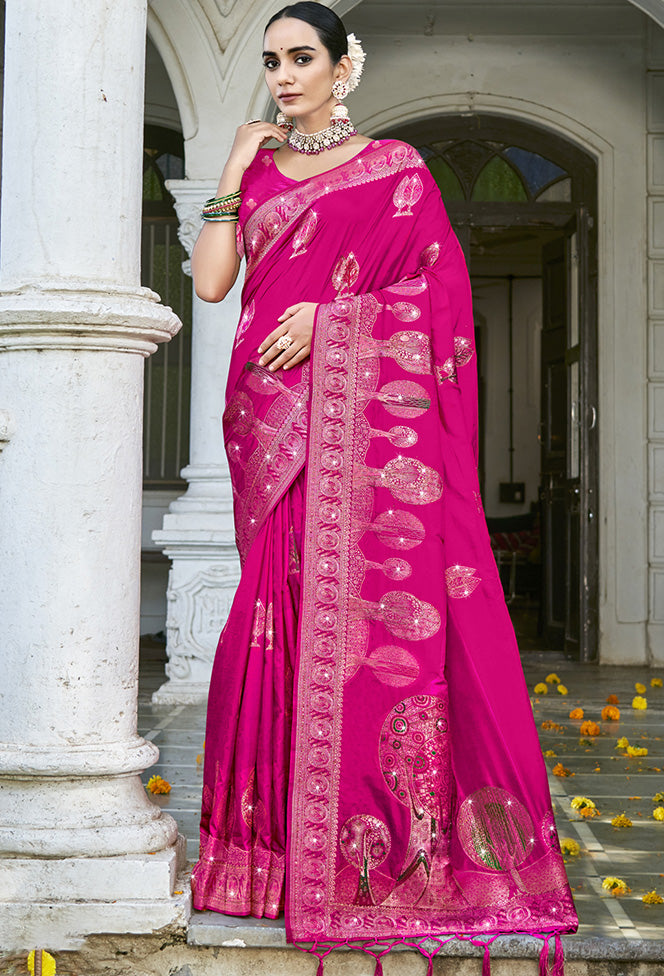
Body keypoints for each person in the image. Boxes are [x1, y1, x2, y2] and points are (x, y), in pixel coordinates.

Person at [189, 4, 578, 973]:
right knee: (264, 630)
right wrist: (233, 175)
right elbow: (209, 286)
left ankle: (358, 856)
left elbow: (440, 297)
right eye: (272, 60)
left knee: (349, 631)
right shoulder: (264, 171)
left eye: (301, 57)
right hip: (269, 426)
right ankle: (266, 861)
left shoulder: (393, 171)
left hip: (355, 431)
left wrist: (333, 320)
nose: (283, 75)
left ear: (342, 65)